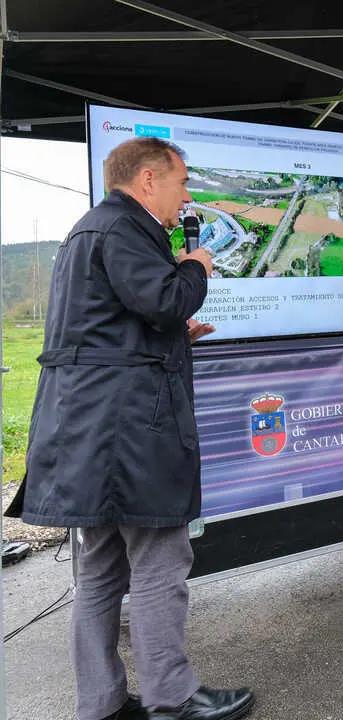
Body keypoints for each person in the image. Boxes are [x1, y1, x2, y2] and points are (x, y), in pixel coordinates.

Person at [4, 138, 254, 720]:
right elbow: (166, 299)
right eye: (181, 183)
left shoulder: (90, 230)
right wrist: (195, 265)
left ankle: (102, 703)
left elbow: (107, 330)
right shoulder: (124, 229)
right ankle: (171, 698)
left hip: (89, 429)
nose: (185, 197)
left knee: (99, 570)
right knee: (161, 564)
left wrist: (170, 339)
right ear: (147, 181)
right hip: (129, 433)